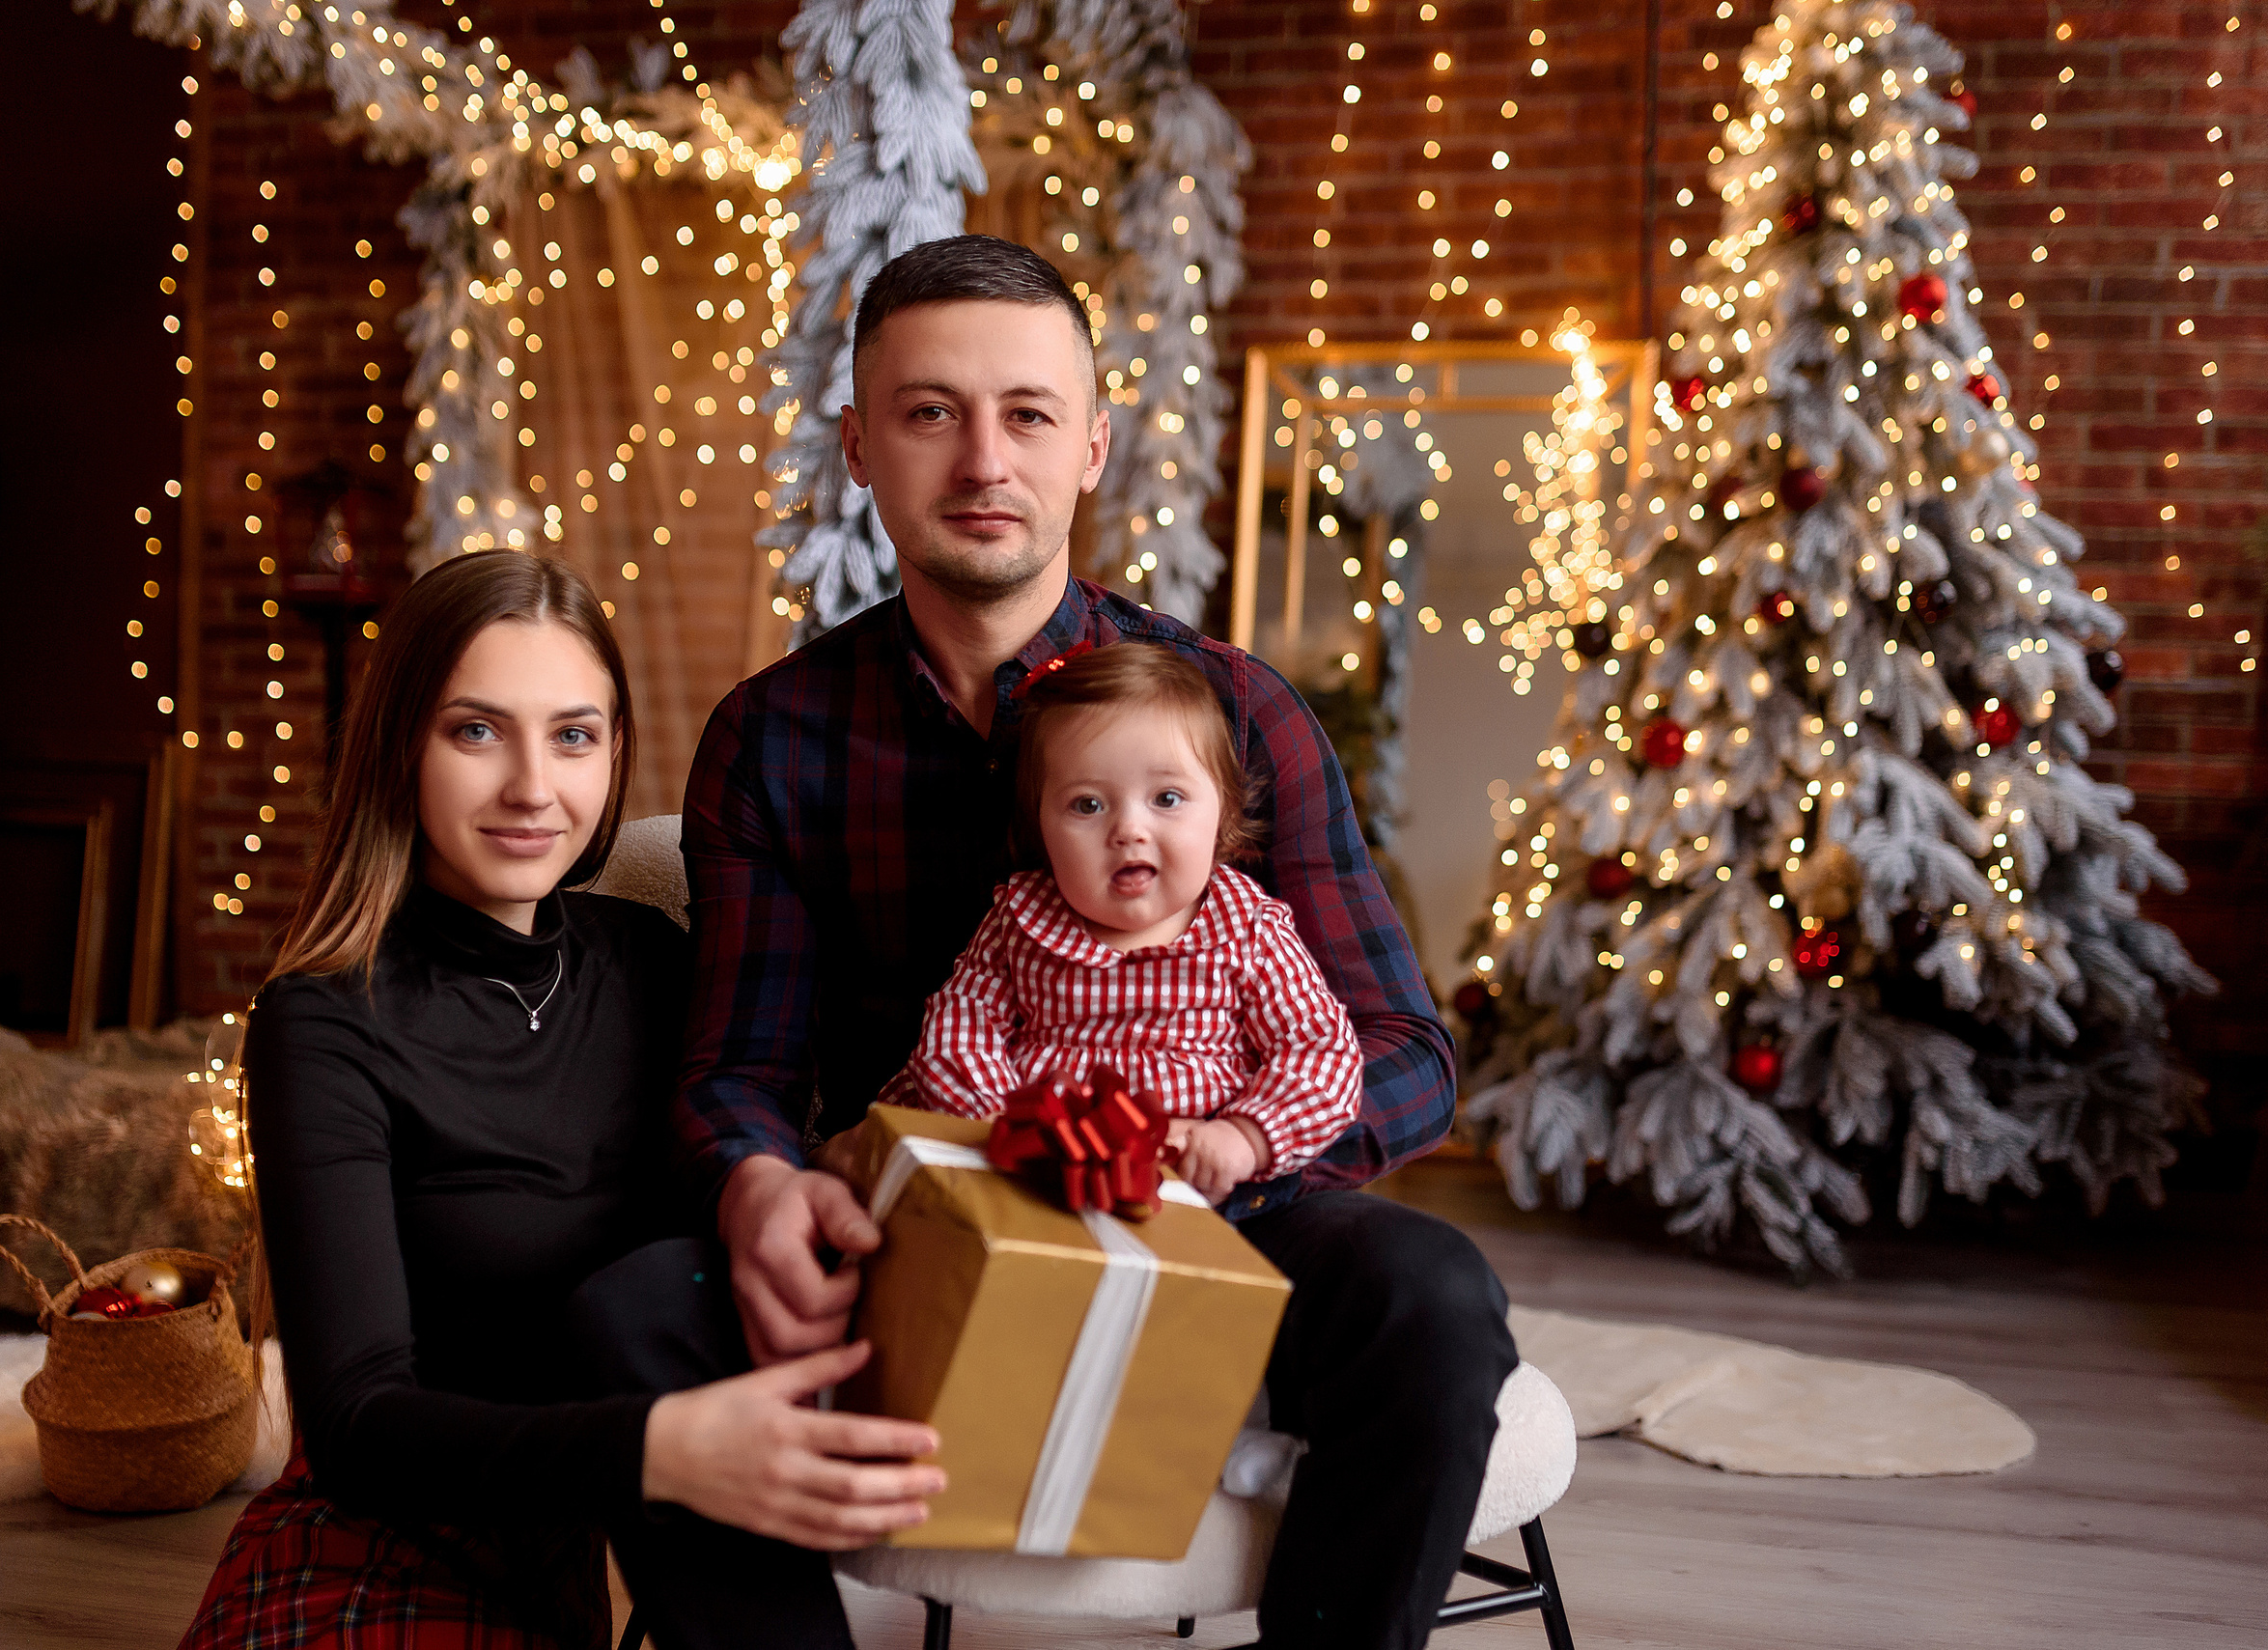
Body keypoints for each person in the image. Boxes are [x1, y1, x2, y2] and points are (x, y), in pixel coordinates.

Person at [650, 233, 1520, 1649]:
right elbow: (731, 1069)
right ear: (860, 447)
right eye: (931, 412)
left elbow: (1406, 1052)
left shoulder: (1234, 715)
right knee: (635, 1307)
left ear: (1094, 445)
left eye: (1029, 414)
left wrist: (1221, 1152)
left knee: (1433, 1295)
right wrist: (757, 1184)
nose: (984, 460)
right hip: (932, 1221)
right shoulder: (775, 737)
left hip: (1224, 1206)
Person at [177, 552, 942, 1650]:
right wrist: (664, 1445)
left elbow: (778, 1184)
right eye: (477, 731)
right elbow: (354, 1425)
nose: (534, 786)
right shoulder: (325, 1018)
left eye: (574, 734)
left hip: (587, 1559)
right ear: (403, 743)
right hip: (379, 1541)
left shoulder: (658, 965)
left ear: (617, 751)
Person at [879, 641, 1364, 1206]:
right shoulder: (1021, 918)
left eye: (1167, 797)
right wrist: (1005, 1128)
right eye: (1087, 805)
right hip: (1030, 1174)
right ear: (1040, 829)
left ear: (1224, 814)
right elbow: (959, 1032)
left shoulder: (1246, 927)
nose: (1129, 829)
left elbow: (1320, 1050)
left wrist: (1245, 1136)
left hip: (1192, 1184)